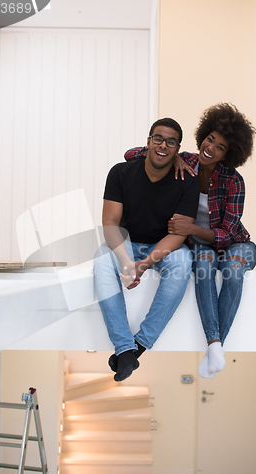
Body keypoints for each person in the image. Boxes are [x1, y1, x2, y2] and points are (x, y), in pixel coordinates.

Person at [124, 103, 256, 378]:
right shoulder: (186, 162)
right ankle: (215, 348)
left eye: (220, 147)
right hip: (202, 246)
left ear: (228, 154)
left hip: (237, 244)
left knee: (232, 269)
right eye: (210, 139)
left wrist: (191, 227)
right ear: (203, 136)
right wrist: (171, 157)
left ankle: (214, 346)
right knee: (204, 266)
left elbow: (228, 234)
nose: (211, 148)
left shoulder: (234, 181)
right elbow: (131, 154)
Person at [94, 118, 200, 382]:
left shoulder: (187, 181)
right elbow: (110, 223)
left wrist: (143, 265)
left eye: (171, 142)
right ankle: (124, 346)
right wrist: (126, 261)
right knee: (101, 259)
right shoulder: (120, 172)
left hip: (162, 244)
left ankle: (137, 346)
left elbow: (178, 234)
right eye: (158, 139)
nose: (163, 146)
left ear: (177, 148)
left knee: (183, 261)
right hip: (126, 240)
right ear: (148, 141)